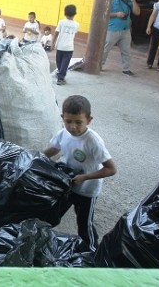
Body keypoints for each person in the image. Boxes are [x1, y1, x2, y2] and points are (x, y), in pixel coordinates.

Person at [43, 95, 117, 252]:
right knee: (51, 213)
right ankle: (41, 237)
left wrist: (85, 177)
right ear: (62, 117)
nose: (73, 127)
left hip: (86, 190)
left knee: (84, 222)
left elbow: (111, 169)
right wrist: (34, 158)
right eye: (68, 121)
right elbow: (53, 149)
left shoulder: (93, 141)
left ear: (89, 120)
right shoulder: (63, 133)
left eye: (79, 122)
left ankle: (91, 249)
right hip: (67, 184)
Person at [101, 0, 141, 76]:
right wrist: (116, 14)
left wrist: (133, 0)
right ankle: (100, 65)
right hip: (113, 29)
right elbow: (104, 14)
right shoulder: (113, 0)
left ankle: (126, 68)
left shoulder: (129, 1)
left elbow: (137, 12)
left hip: (125, 30)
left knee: (126, 50)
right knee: (106, 48)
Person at [52, 5, 79, 85]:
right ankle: (61, 76)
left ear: (65, 13)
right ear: (75, 14)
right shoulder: (76, 24)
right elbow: (75, 34)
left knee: (59, 61)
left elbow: (56, 32)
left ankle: (60, 76)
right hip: (69, 47)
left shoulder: (61, 22)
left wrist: (53, 43)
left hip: (60, 46)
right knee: (65, 63)